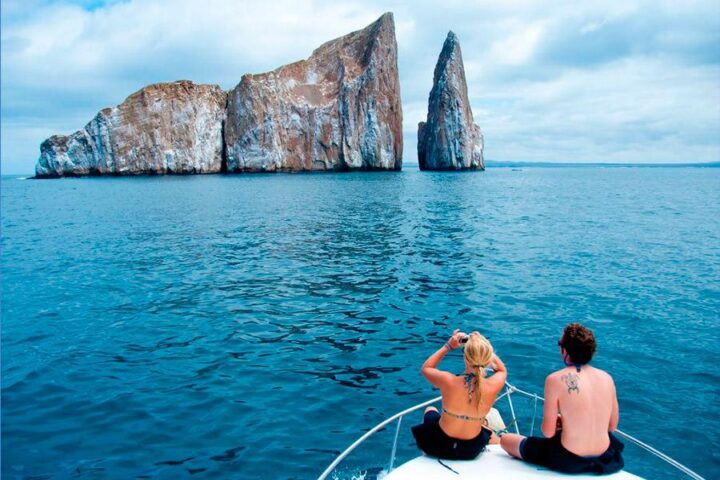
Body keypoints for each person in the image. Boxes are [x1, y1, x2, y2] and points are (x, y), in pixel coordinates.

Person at [500, 322, 624, 474]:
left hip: (568, 459)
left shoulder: (554, 379)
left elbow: (548, 432)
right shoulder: (607, 378)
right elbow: (612, 427)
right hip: (605, 458)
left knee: (506, 440)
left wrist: (563, 422)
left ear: (565, 350)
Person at [411, 329, 507, 460]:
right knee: (484, 426)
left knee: (431, 409)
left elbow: (426, 368)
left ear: (465, 357)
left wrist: (448, 346)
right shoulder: (493, 385)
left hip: (438, 446)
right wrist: (481, 344)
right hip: (470, 450)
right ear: (488, 357)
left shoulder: (448, 381)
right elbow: (501, 369)